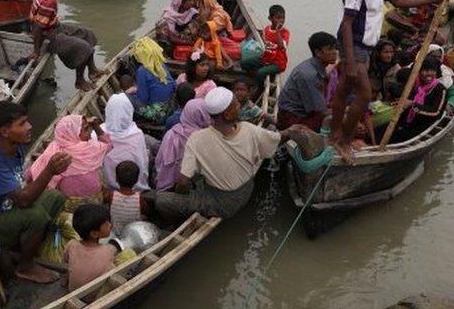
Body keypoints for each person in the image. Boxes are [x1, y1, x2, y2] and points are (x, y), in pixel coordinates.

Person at [330, 0, 449, 162]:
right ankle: (343, 141)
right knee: (364, 95)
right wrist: (351, 60)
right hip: (353, 45)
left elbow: (398, 2)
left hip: (364, 45)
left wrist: (432, 0)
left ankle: (335, 135)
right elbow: (346, 24)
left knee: (344, 89)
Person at [153, 88, 305, 221]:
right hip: (247, 190)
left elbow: (183, 182)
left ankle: (178, 218)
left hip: (222, 203)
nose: (240, 106)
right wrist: (292, 131)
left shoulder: (197, 139)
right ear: (226, 114)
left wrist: (182, 195)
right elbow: (277, 140)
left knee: (161, 200)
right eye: (236, 104)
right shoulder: (249, 129)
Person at [0, 101, 68, 283]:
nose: (29, 127)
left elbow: (21, 188)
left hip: (8, 208)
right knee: (37, 216)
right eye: (22, 124)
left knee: (55, 197)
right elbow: (23, 201)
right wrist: (49, 170)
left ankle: (22, 246)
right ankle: (25, 267)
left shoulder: (17, 147)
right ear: (5, 132)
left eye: (27, 121)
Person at [29, 0, 102, 92]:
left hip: (53, 26)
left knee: (88, 34)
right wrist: (36, 50)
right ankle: (79, 81)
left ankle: (92, 70)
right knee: (83, 47)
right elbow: (38, 27)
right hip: (47, 34)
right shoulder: (49, 0)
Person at [27, 114, 110, 200]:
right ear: (72, 133)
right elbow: (35, 174)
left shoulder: (88, 147)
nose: (89, 133)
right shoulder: (54, 152)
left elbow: (106, 146)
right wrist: (96, 127)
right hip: (74, 201)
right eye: (85, 129)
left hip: (94, 195)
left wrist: (95, 126)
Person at [277, 32, 338, 132]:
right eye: (330, 49)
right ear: (318, 52)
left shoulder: (315, 66)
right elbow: (320, 112)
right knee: (340, 118)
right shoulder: (310, 75)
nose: (335, 52)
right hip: (293, 119)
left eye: (335, 48)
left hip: (299, 113)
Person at [154, 99, 211, 192]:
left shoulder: (172, 133)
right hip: (195, 188)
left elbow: (160, 161)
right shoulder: (206, 138)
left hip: (169, 184)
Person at [101, 94, 150, 191]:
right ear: (129, 111)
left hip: (109, 187)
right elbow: (142, 161)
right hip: (135, 185)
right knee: (148, 152)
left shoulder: (97, 133)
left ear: (108, 111)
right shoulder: (137, 134)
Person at [390, 58, 446, 143]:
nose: (429, 73)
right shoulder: (416, 85)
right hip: (409, 122)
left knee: (398, 136)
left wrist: (413, 104)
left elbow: (436, 112)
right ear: (419, 71)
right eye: (425, 70)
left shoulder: (440, 89)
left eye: (432, 70)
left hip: (424, 126)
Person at [63, 203, 115, 291]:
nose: (110, 225)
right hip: (95, 297)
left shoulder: (72, 244)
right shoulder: (109, 249)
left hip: (73, 292)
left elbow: (65, 261)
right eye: (106, 224)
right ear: (94, 233)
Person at [130, 37, 177, 117]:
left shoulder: (142, 71)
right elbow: (172, 84)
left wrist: (132, 94)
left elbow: (143, 99)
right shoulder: (160, 64)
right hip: (170, 106)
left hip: (157, 113)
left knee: (123, 96)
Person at [105, 161, 145, 236]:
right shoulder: (140, 198)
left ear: (116, 179)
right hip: (133, 233)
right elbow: (144, 210)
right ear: (136, 180)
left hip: (115, 232)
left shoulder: (112, 195)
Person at [257, 4, 290, 79]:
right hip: (266, 59)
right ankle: (256, 76)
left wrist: (277, 31)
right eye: (278, 18)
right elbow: (264, 43)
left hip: (278, 64)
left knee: (260, 73)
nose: (281, 21)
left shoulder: (285, 32)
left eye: (283, 18)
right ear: (270, 18)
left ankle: (259, 87)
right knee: (246, 62)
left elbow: (281, 46)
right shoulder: (267, 29)